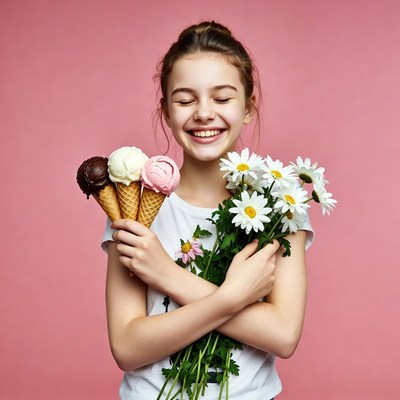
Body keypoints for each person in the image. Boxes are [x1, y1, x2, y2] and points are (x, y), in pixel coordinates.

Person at [102, 21, 313, 400]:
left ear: (248, 108)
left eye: (222, 98)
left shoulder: (282, 203)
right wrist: (232, 297)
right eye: (184, 100)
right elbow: (127, 347)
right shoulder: (131, 204)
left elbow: (283, 335)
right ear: (166, 111)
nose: (203, 113)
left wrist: (168, 275)